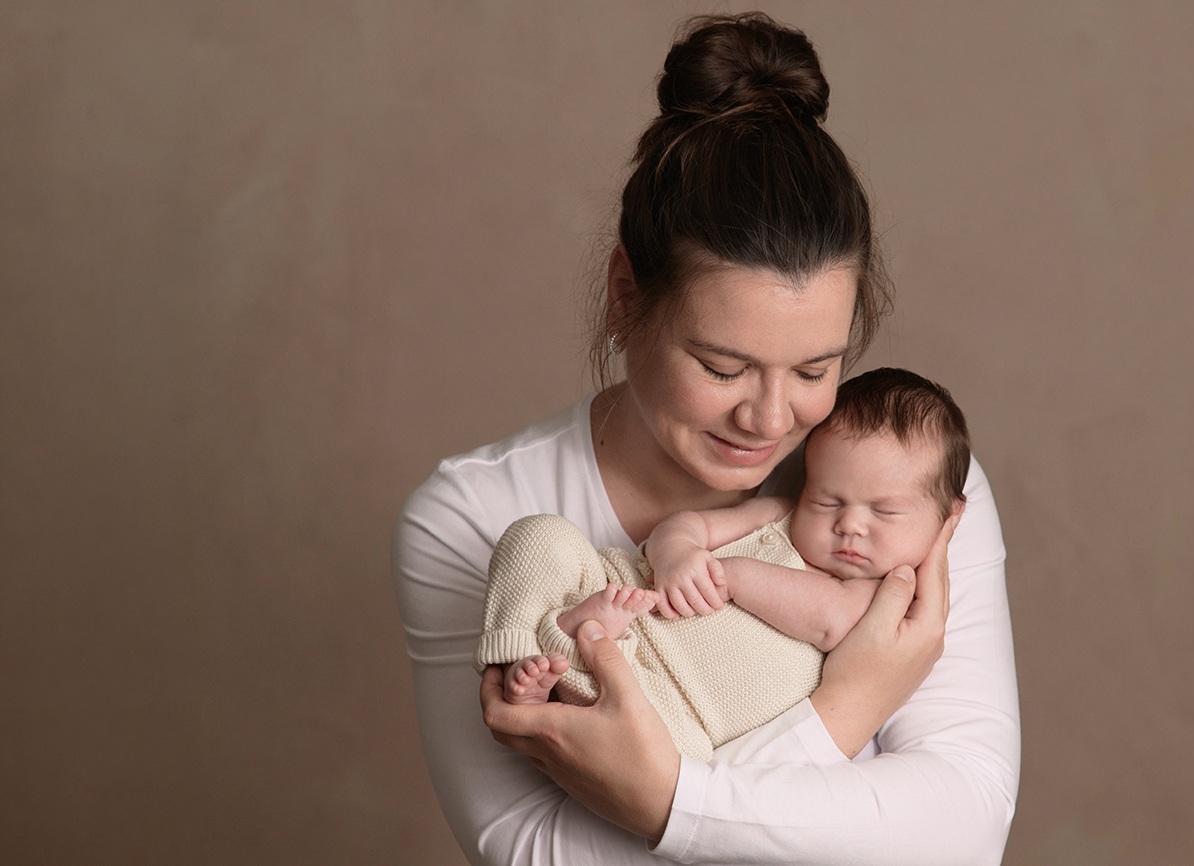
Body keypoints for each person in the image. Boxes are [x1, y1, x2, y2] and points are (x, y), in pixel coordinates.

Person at [392, 12, 1019, 866]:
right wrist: (850, 707)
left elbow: (965, 832)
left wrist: (663, 801)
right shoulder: (473, 515)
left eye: (814, 369)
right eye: (723, 367)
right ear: (625, 297)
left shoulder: (899, 484)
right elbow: (534, 852)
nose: (770, 419)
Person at [475, 369, 972, 767]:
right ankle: (525, 656)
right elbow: (690, 525)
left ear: (948, 517)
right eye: (828, 499)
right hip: (622, 594)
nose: (850, 525)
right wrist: (676, 553)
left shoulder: (890, 596)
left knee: (679, 765)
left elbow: (829, 619)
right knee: (539, 537)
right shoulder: (778, 515)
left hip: (673, 710)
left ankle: (565, 655)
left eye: (884, 512)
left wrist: (732, 574)